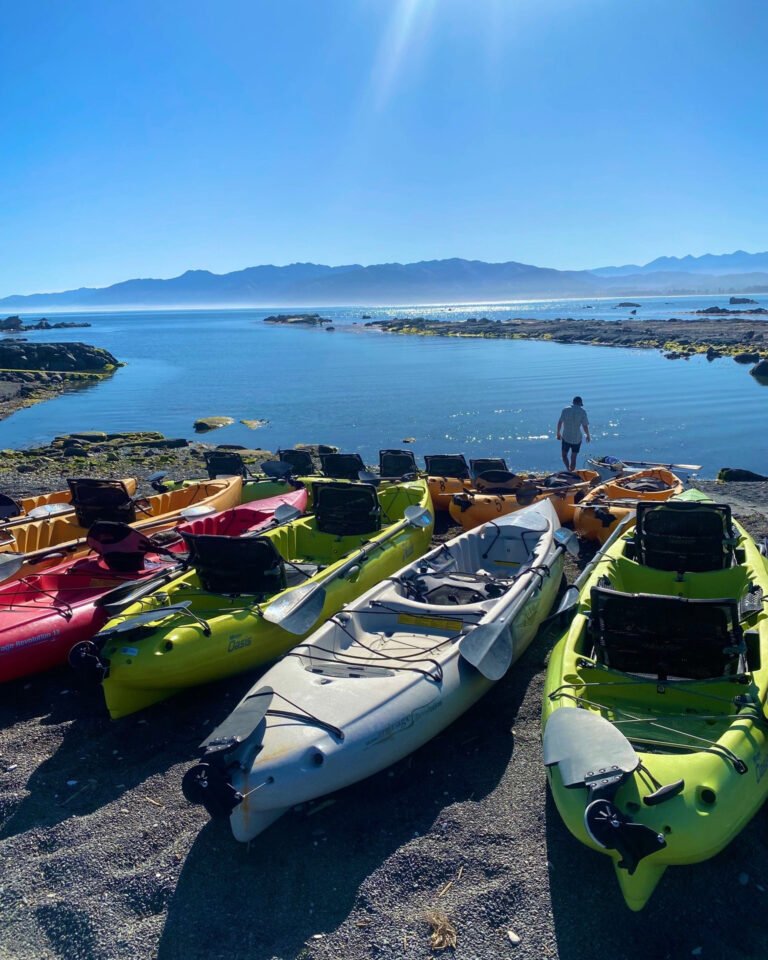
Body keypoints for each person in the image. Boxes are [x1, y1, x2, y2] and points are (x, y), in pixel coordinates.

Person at [556, 396, 590, 471]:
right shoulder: (582, 412)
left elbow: (560, 422)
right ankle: (572, 471)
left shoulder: (565, 410)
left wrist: (558, 433)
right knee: (573, 457)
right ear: (580, 403)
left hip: (566, 437)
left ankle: (568, 469)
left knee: (564, 455)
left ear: (573, 402)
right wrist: (588, 435)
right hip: (577, 438)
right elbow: (585, 426)